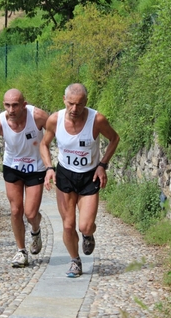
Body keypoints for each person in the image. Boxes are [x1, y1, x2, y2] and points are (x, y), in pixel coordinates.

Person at [40, 83, 120, 278]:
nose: (75, 109)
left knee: (84, 225)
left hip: (89, 176)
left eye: (80, 104)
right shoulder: (55, 120)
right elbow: (44, 144)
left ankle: (88, 234)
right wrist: (49, 168)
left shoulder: (97, 119)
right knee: (68, 225)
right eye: (71, 104)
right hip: (65, 174)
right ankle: (75, 261)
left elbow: (114, 139)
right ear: (64, 100)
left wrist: (102, 165)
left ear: (86, 102)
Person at [0, 88, 49, 268]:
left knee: (31, 213)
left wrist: (51, 162)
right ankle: (21, 251)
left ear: (24, 105)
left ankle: (35, 230)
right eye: (7, 105)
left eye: (15, 105)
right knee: (16, 210)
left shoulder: (38, 116)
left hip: (35, 167)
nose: (11, 110)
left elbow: (58, 131)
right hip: (13, 167)